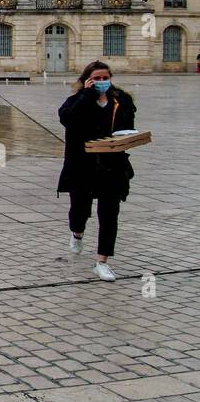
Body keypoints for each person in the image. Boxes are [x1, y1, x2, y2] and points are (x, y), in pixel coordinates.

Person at [58, 60, 136, 282]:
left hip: (113, 167)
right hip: (82, 167)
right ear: (87, 80)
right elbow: (67, 119)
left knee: (109, 215)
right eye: (97, 79)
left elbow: (128, 126)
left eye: (105, 78)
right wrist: (87, 96)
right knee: (79, 211)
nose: (102, 82)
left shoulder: (121, 100)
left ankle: (102, 262)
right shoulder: (76, 101)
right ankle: (77, 233)